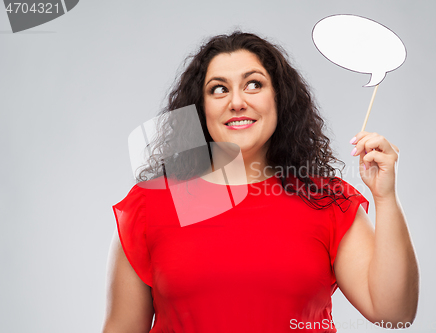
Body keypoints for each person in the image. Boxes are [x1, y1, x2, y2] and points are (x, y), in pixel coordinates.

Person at [102, 31, 419, 333]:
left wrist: (385, 197)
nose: (236, 102)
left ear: (279, 99)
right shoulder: (149, 204)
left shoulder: (328, 200)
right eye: (219, 89)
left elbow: (394, 313)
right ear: (201, 108)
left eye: (253, 84)